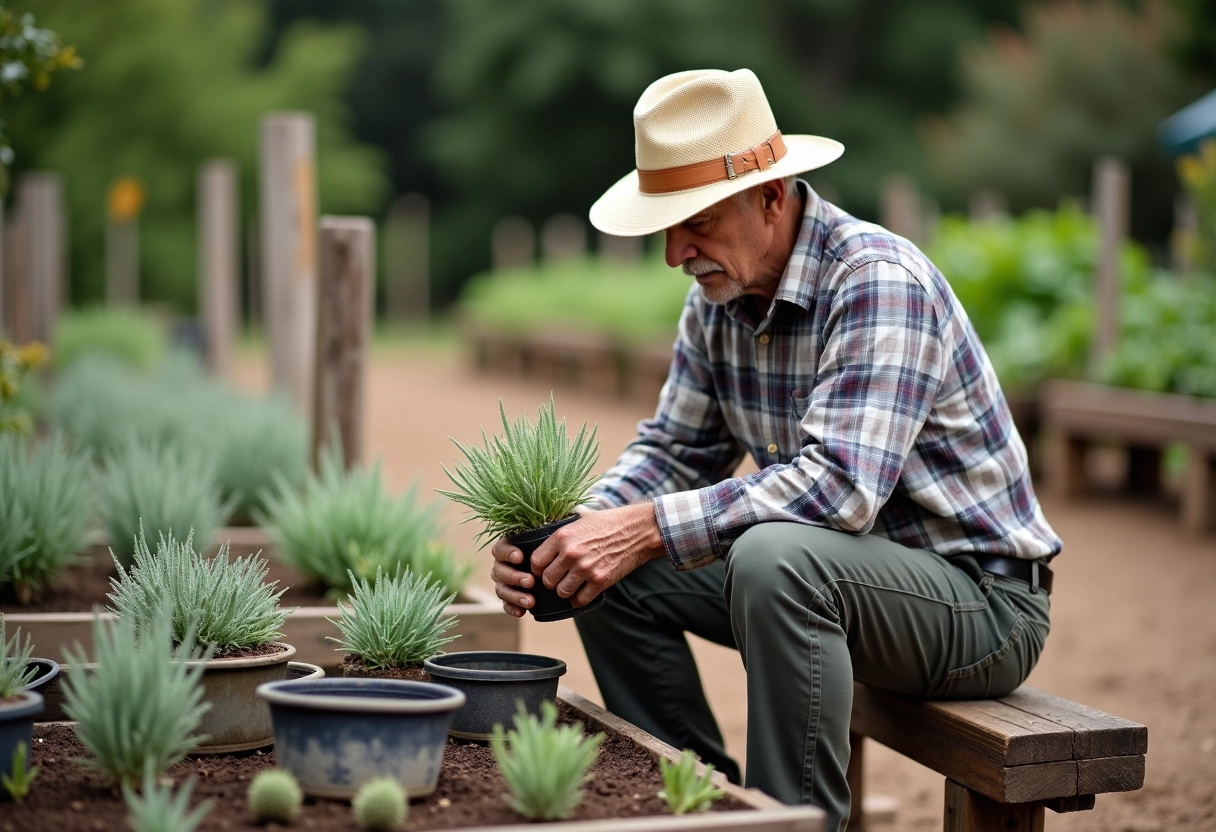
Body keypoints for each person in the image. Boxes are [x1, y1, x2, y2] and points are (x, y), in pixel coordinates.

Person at [489, 68, 1061, 832]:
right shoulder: (716, 301)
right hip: (837, 582)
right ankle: (707, 807)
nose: (674, 253)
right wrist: (577, 531)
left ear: (771, 196)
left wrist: (645, 527)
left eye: (694, 219)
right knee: (608, 569)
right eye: (666, 225)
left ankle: (792, 825)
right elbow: (672, 450)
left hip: (978, 606)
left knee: (772, 557)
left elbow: (839, 491)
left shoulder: (876, 280)